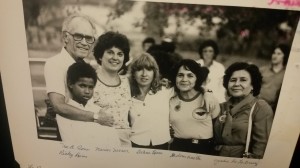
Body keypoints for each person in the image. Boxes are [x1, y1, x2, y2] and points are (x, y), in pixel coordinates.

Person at [44, 14, 114, 133]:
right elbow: (58, 106)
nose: (84, 43)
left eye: (89, 38)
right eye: (78, 36)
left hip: (89, 129)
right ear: (66, 37)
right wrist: (96, 117)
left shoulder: (86, 66)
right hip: (70, 133)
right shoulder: (54, 64)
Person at [214, 62, 274, 159]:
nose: (236, 84)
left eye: (243, 80)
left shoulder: (260, 108)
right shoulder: (220, 107)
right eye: (233, 80)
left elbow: (261, 146)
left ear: (252, 85)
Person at [57, 62, 120, 146]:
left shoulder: (98, 111)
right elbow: (71, 143)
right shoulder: (66, 112)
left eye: (91, 87)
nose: (87, 91)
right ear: (70, 84)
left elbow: (114, 140)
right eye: (82, 86)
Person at [169, 59, 220, 154]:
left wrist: (207, 92)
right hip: (177, 148)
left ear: (197, 78)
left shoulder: (209, 99)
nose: (184, 79)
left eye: (190, 75)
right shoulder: (170, 100)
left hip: (204, 149)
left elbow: (218, 129)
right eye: (180, 75)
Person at [93, 31, 132, 147]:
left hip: (125, 144)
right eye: (110, 52)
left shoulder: (128, 82)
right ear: (100, 55)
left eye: (120, 54)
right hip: (99, 142)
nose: (115, 58)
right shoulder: (90, 80)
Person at [128, 53, 173, 150]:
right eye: (139, 69)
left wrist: (208, 92)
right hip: (135, 144)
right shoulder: (127, 94)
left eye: (149, 69)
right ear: (133, 73)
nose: (144, 74)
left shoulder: (165, 91)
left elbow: (190, 88)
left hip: (162, 145)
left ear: (154, 72)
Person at [259, 44, 290, 112]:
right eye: (274, 53)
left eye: (279, 54)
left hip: (272, 109)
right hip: (256, 104)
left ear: (284, 56)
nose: (275, 56)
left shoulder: (287, 75)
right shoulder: (262, 70)